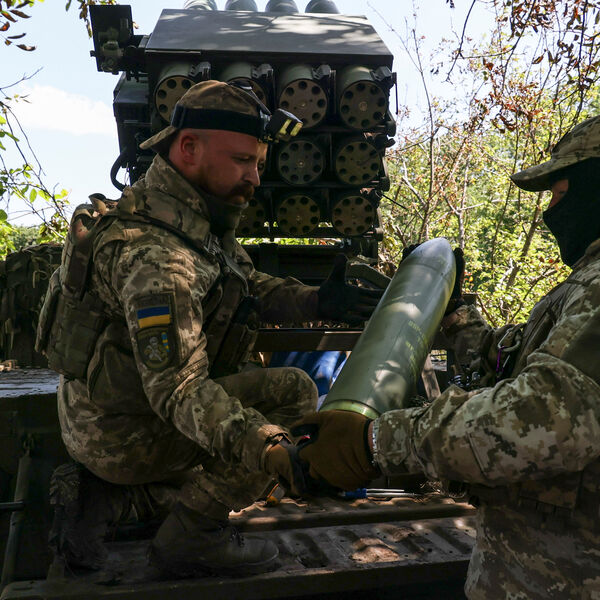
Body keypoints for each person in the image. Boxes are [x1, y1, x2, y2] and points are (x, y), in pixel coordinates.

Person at [39, 80, 381, 577]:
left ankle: (113, 501)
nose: (255, 178)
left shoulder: (182, 215)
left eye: (258, 163)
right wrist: (269, 447)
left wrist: (315, 300)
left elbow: (244, 283)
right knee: (292, 394)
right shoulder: (159, 259)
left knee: (228, 434)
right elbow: (179, 392)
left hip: (107, 414)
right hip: (122, 432)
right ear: (189, 148)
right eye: (243, 160)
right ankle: (193, 538)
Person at [291, 115, 600, 599]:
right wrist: (455, 314)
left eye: (560, 193)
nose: (550, 212)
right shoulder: (584, 284)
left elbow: (542, 415)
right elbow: (508, 360)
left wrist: (376, 442)